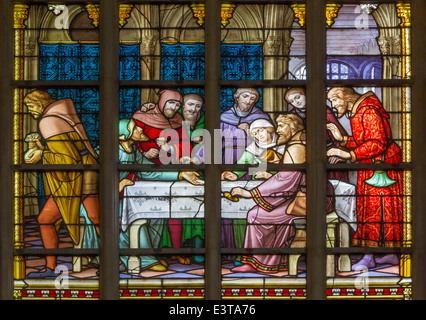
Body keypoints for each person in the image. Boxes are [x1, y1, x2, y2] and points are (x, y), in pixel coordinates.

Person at [23, 90, 100, 278]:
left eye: (31, 106)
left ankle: (51, 268)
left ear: (41, 104)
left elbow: (68, 158)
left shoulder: (47, 121)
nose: (30, 111)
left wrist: (41, 155)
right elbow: (69, 150)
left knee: (45, 220)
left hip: (76, 178)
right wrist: (43, 149)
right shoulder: (59, 115)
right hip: (88, 172)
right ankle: (117, 262)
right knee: (96, 217)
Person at [326, 87, 403, 270]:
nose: (334, 105)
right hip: (373, 166)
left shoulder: (368, 110)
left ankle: (372, 256)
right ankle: (388, 254)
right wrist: (343, 140)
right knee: (375, 210)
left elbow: (378, 143)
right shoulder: (361, 109)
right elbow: (366, 140)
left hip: (381, 169)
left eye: (334, 100)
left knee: (377, 210)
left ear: (344, 97)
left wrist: (347, 154)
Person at [117, 119, 203, 271]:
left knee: (155, 213)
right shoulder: (111, 150)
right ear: (124, 136)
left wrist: (181, 174)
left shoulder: (133, 150)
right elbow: (93, 179)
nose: (140, 129)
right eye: (135, 128)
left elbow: (149, 171)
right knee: (136, 216)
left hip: (119, 196)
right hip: (109, 200)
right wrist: (117, 185)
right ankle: (142, 260)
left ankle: (150, 255)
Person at [132, 90, 192, 263]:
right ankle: (149, 255)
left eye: (178, 104)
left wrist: (169, 148)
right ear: (162, 101)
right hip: (145, 173)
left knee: (176, 211)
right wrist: (144, 152)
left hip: (173, 170)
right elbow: (129, 139)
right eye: (171, 102)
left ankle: (176, 250)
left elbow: (186, 146)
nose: (174, 108)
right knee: (150, 213)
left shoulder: (180, 122)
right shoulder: (141, 117)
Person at [285, 87, 349, 181]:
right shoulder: (292, 116)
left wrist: (339, 153)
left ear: (306, 95)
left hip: (327, 155)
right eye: (292, 101)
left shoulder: (324, 111)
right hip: (302, 156)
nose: (296, 102)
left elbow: (339, 134)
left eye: (298, 97)